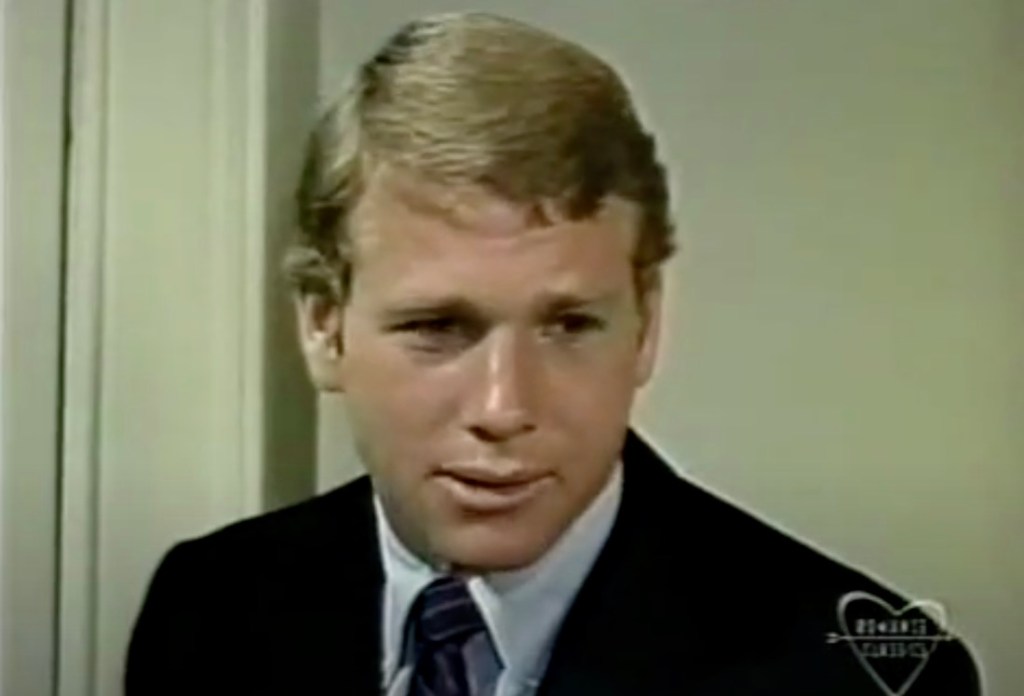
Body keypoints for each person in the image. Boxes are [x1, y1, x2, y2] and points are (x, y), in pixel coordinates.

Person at [124, 12, 981, 696]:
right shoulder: (208, 610)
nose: (504, 408)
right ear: (323, 326)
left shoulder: (859, 677)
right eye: (438, 327)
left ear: (645, 325)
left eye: (569, 326)